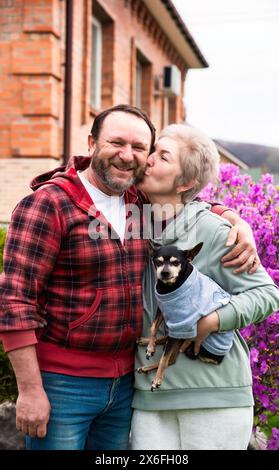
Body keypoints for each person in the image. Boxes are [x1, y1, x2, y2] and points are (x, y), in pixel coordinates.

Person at [0, 105, 259, 450]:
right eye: (116, 142)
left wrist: (236, 220)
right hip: (64, 385)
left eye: (140, 148)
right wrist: (30, 390)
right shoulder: (49, 205)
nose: (127, 156)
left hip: (126, 386)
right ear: (92, 143)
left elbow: (187, 200)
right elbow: (15, 301)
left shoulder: (138, 202)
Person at [131, 124, 279, 450]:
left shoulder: (214, 230)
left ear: (185, 183)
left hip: (215, 399)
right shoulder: (131, 221)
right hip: (149, 399)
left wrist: (212, 321)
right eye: (153, 151)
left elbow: (268, 295)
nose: (149, 159)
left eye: (163, 156)